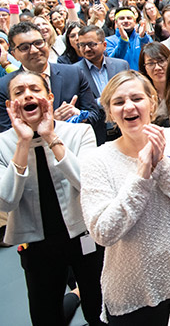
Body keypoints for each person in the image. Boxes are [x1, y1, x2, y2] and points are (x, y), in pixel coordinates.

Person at [80, 70, 170, 325]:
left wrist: (160, 163)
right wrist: (142, 175)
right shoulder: (97, 160)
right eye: (118, 102)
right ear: (109, 112)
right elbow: (104, 232)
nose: (128, 106)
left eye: (136, 98)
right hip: (133, 287)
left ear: (152, 101)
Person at [0, 71, 105, 325]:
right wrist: (23, 143)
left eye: (35, 89)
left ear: (49, 97)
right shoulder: (3, 144)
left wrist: (49, 136)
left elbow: (87, 184)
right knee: (45, 315)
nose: (27, 95)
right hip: (37, 246)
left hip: (85, 236)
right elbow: (6, 202)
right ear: (10, 106)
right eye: (19, 92)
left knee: (100, 310)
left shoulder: (80, 133)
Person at [0, 22, 101, 134]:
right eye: (24, 47)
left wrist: (80, 115)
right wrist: (52, 122)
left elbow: (95, 115)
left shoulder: (74, 73)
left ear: (46, 44)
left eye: (38, 43)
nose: (34, 50)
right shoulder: (4, 86)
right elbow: (6, 131)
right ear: (14, 55)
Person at [77, 25, 130, 145]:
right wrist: (100, 101)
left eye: (91, 44)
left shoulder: (121, 66)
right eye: (82, 45)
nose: (86, 49)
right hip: (95, 135)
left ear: (104, 45)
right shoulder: (74, 72)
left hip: (123, 130)